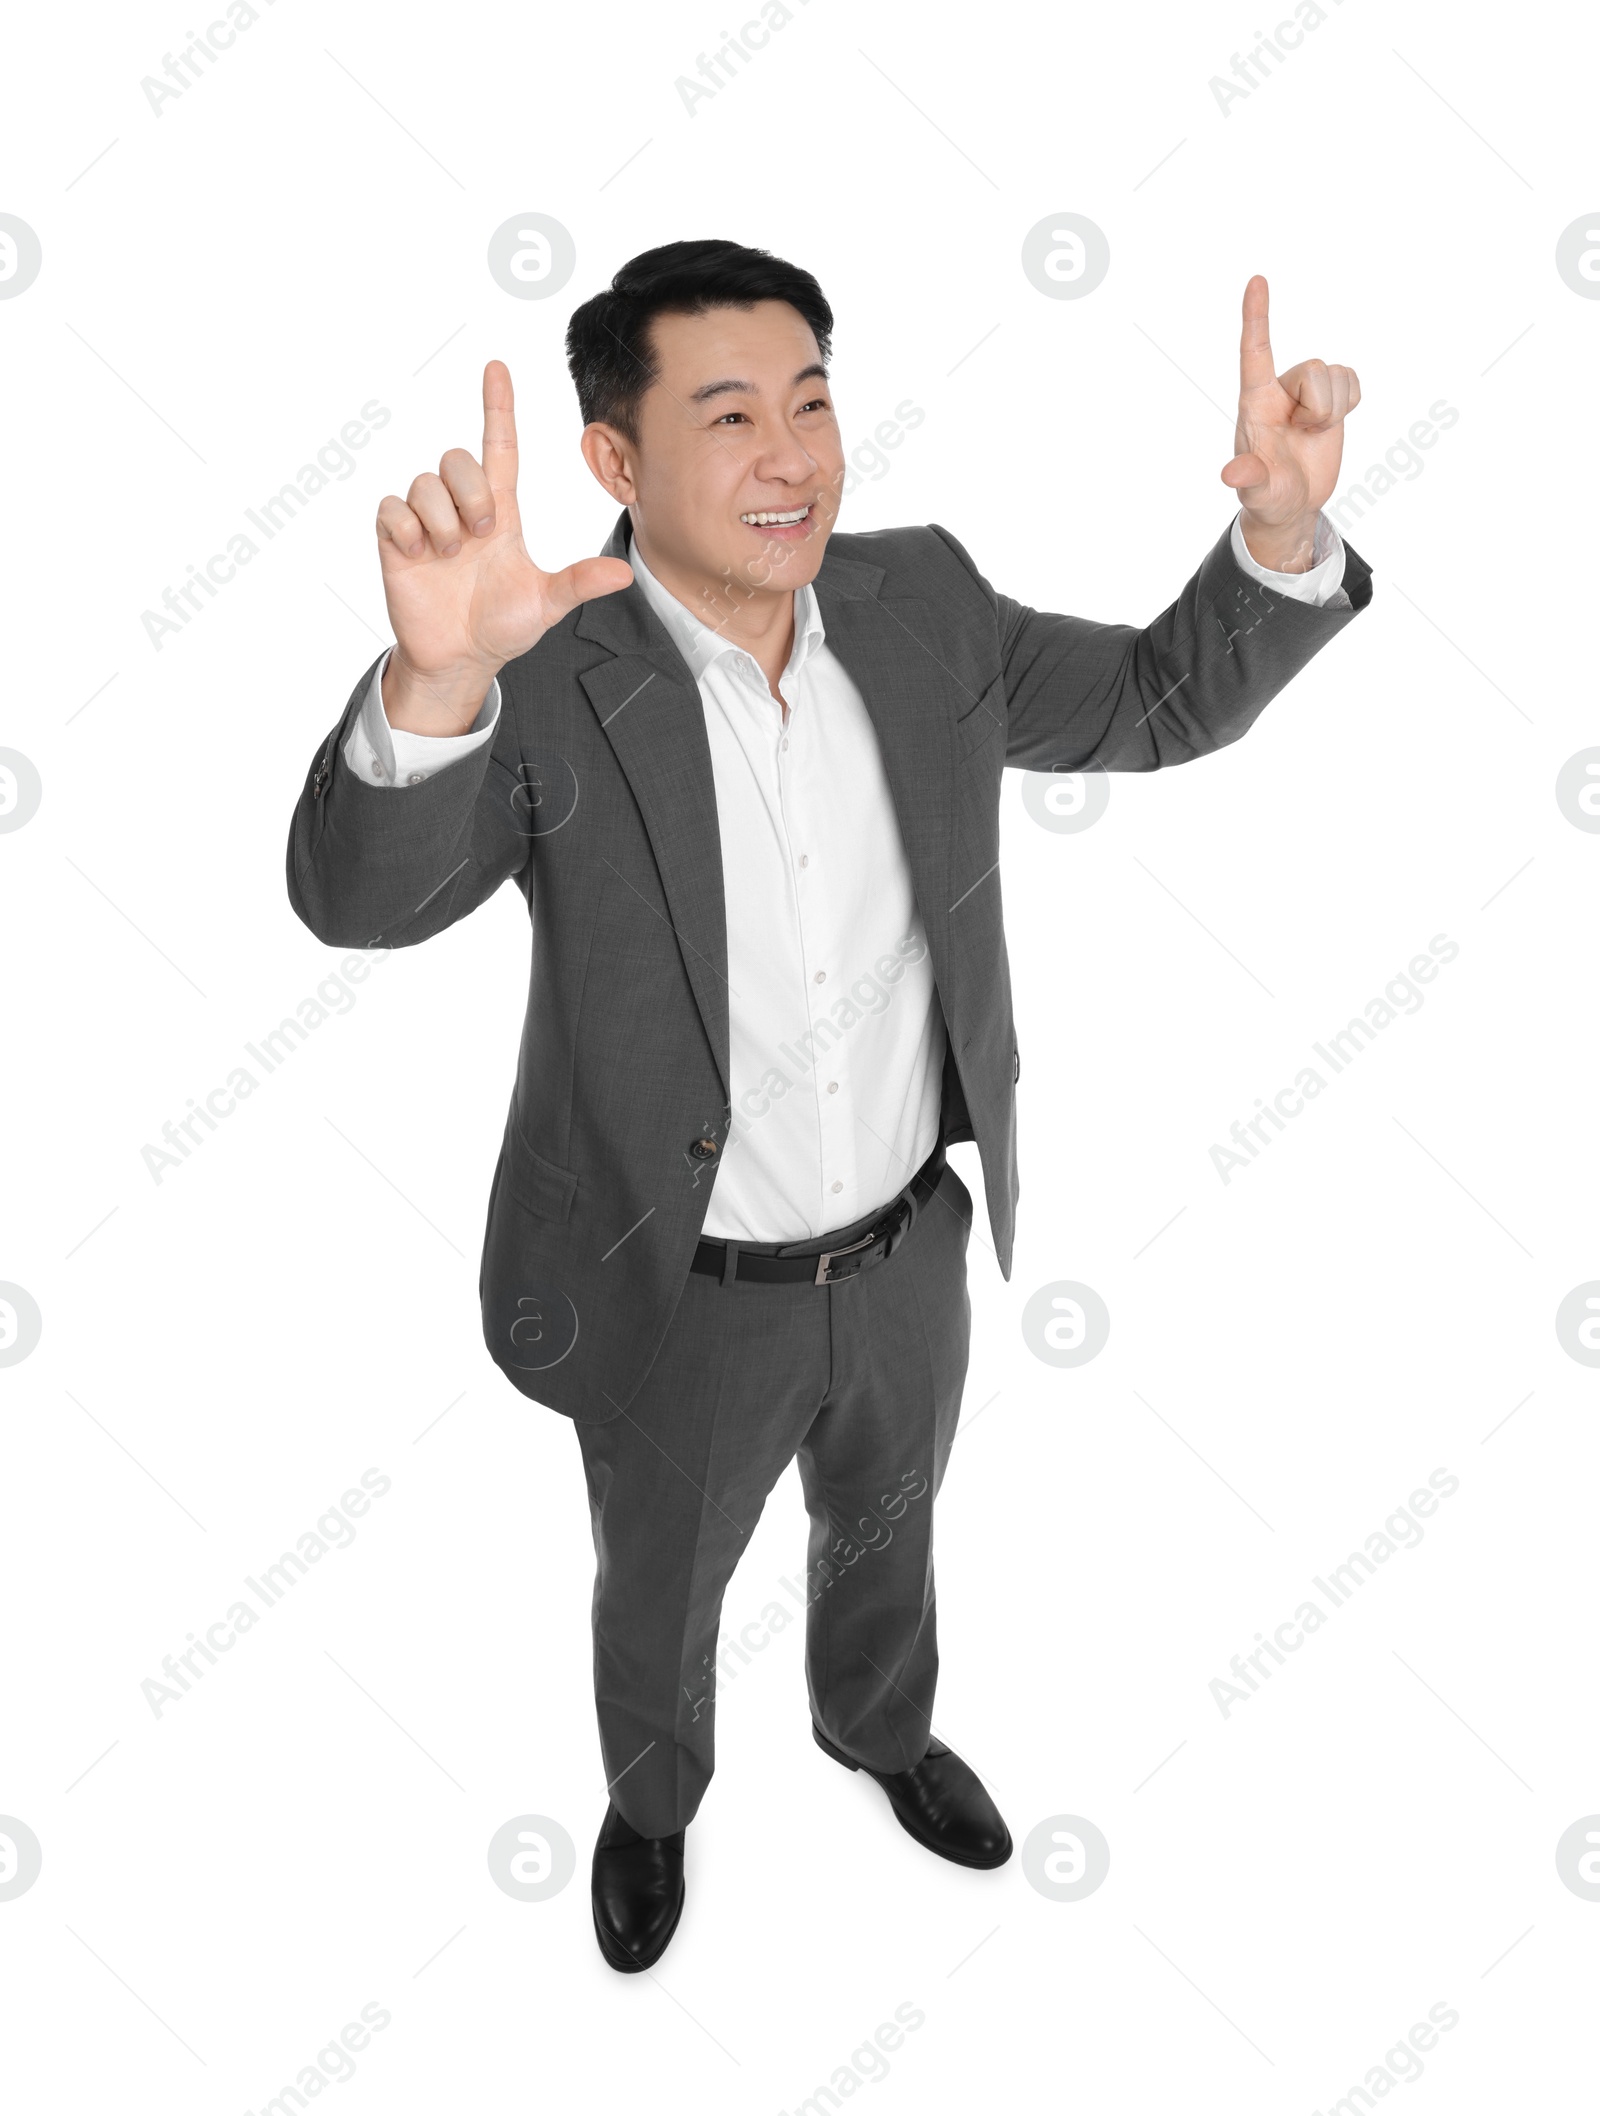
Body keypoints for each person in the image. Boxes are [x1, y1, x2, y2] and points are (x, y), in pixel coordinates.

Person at [286, 238, 1369, 1972]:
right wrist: (434, 689)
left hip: (903, 1253)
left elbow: (1163, 704)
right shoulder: (546, 670)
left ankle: (878, 1729)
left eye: (810, 400)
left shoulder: (921, 603)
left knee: (893, 1530)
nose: (791, 455)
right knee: (660, 1592)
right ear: (617, 464)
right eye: (728, 416)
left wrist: (1283, 540)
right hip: (679, 1293)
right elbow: (360, 902)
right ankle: (653, 1809)